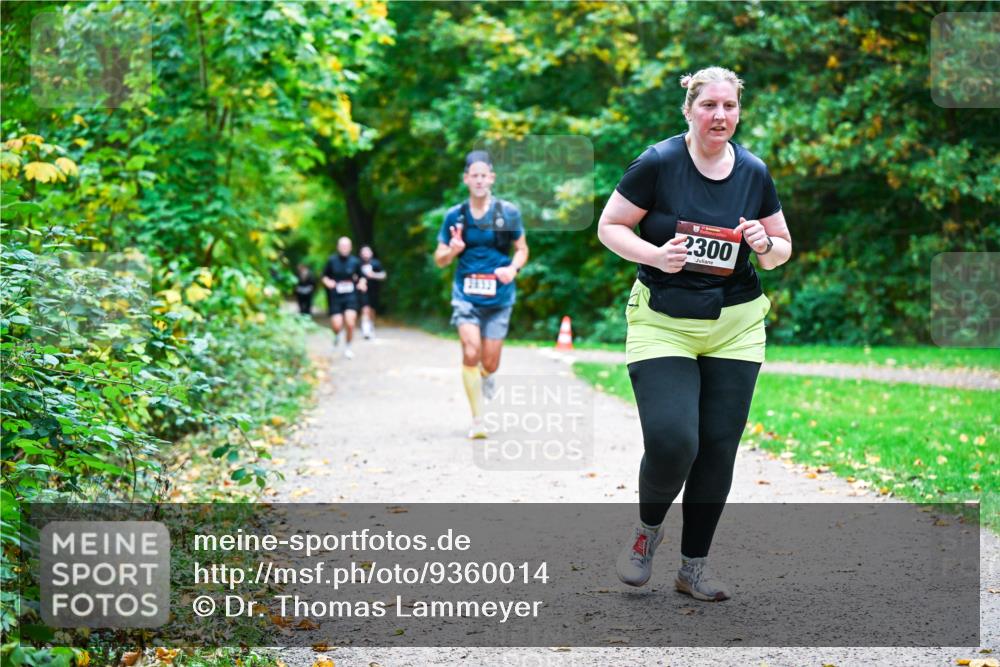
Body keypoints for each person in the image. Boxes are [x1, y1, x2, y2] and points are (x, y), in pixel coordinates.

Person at [597, 67, 792, 601]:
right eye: (709, 106)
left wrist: (762, 242)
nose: (720, 116)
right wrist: (656, 255)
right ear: (689, 109)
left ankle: (694, 567)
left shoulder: (753, 171)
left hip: (737, 325)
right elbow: (610, 226)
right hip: (663, 320)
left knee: (717, 449)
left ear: (738, 111)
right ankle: (645, 533)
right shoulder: (659, 162)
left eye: (729, 106)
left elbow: (781, 251)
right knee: (673, 439)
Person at [434, 150, 529, 439]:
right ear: (466, 179)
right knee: (471, 351)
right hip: (466, 294)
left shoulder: (508, 212)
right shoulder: (455, 215)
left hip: (499, 296)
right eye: (473, 175)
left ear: (491, 178)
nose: (478, 180)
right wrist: (454, 249)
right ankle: (478, 421)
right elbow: (440, 259)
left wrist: (512, 268)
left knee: (490, 361)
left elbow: (522, 249)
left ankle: (487, 376)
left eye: (483, 175)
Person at [321, 236, 366, 359]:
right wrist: (328, 283)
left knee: (350, 323)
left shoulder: (355, 261)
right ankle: (336, 336)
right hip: (336, 296)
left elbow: (362, 276)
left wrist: (362, 283)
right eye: (342, 246)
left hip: (351, 295)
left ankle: (348, 347)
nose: (344, 248)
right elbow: (324, 276)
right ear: (338, 247)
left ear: (350, 248)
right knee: (337, 324)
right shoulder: (332, 260)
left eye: (346, 246)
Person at [357, 245, 387, 339]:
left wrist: (373, 275)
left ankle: (370, 326)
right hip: (362, 290)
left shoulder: (376, 263)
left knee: (372, 311)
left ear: (371, 253)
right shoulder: (358, 264)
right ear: (361, 254)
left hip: (374, 290)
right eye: (364, 252)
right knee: (365, 309)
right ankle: (365, 330)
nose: (365, 254)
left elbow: (383, 275)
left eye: (367, 252)